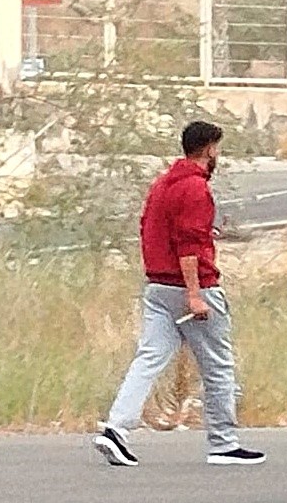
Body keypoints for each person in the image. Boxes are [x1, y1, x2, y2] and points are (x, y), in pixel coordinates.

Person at [94, 120, 264, 468]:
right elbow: (188, 244)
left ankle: (116, 427)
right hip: (192, 286)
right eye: (217, 149)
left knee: (149, 358)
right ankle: (224, 443)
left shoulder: (161, 185)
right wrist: (195, 293)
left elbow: (152, 232)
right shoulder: (195, 189)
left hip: (158, 286)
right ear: (209, 149)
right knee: (218, 366)